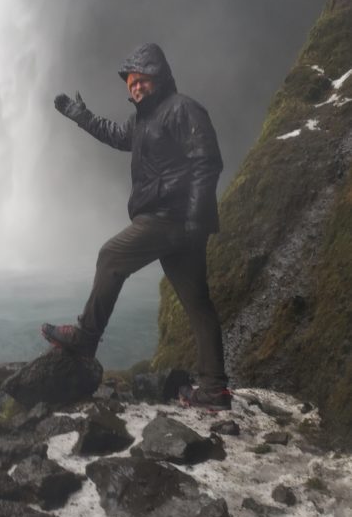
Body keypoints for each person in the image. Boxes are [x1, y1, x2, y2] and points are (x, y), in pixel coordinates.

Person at [41, 42, 231, 410]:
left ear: (160, 78)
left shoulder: (182, 108)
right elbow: (115, 134)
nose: (136, 86)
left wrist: (194, 215)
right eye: (131, 81)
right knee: (198, 305)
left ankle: (86, 337)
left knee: (111, 255)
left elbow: (207, 161)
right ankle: (214, 390)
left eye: (143, 79)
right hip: (178, 223)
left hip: (171, 216)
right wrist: (80, 114)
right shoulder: (143, 120)